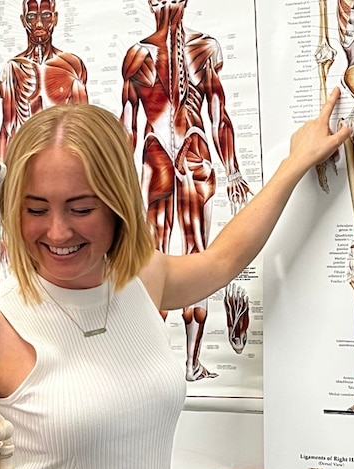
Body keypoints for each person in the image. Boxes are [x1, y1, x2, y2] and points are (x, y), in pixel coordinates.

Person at [0, 88, 351, 469]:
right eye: (35, 209)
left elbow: (224, 259)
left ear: (118, 203)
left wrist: (294, 164)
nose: (57, 232)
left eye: (81, 209)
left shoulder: (143, 278)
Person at [120, 0, 252, 379]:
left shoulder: (202, 49)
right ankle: (156, 367)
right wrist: (117, 183)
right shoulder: (138, 56)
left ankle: (191, 363)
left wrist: (234, 170)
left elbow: (218, 112)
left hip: (191, 154)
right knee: (155, 258)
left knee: (197, 257)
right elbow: (126, 123)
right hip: (158, 156)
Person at [0, 0, 89, 159]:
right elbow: (7, 127)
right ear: (23, 20)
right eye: (32, 16)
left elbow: (85, 126)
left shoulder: (72, 65)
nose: (39, 24)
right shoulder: (13, 68)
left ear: (55, 18)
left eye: (46, 15)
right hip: (27, 162)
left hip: (67, 160)